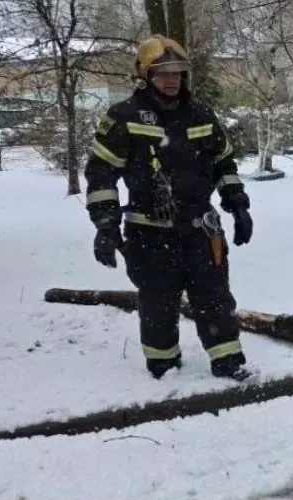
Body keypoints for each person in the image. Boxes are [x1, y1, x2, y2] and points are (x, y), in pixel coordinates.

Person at [83, 35, 254, 380]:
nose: (172, 79)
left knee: (215, 298)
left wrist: (237, 206)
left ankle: (228, 361)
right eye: (163, 72)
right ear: (146, 75)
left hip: (202, 231)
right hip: (150, 234)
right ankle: (163, 366)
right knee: (158, 305)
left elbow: (224, 163)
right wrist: (105, 225)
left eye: (178, 72)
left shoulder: (201, 114)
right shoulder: (124, 117)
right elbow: (101, 174)